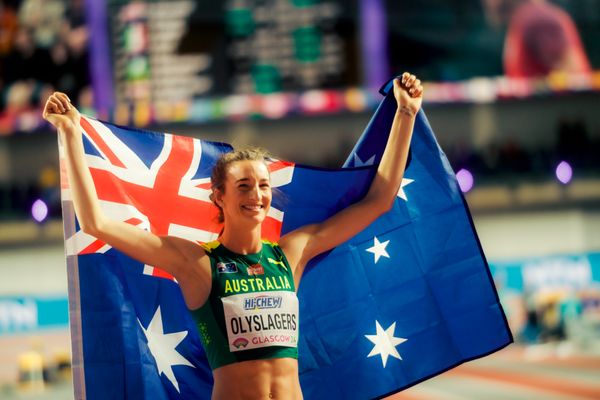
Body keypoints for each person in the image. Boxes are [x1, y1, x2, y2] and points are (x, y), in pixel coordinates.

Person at [42, 72, 423, 400]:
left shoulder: (292, 253)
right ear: (219, 196)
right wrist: (72, 133)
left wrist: (406, 114)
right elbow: (96, 223)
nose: (256, 196)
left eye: (262, 185)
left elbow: (379, 200)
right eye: (243, 187)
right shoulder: (197, 264)